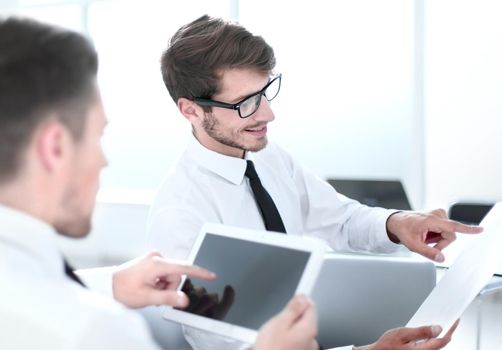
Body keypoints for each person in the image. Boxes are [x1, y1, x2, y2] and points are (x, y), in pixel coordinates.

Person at [147, 14, 478, 350]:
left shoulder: (268, 157)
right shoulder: (180, 212)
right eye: (244, 103)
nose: (267, 114)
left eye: (263, 93)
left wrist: (397, 224)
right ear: (191, 110)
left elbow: (340, 219)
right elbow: (227, 345)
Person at [0, 16, 320, 350]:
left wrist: (109, 284)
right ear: (55, 148)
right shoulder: (96, 330)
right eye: (98, 135)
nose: (103, 161)